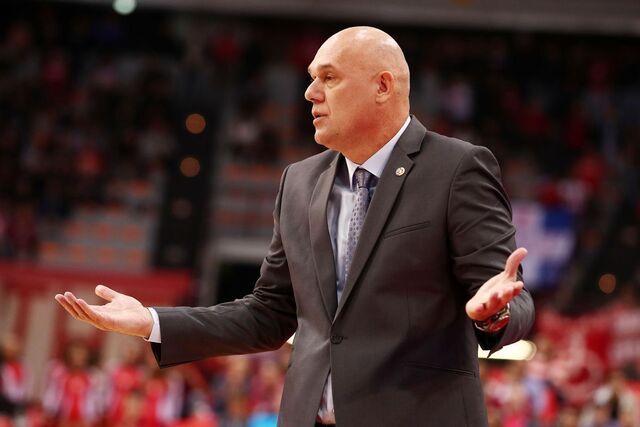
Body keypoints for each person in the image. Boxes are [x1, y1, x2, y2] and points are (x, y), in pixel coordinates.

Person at [56, 26, 535, 426]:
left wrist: (492, 315)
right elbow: (269, 313)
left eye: (329, 77)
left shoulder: (457, 168)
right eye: (311, 78)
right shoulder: (299, 182)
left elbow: (512, 299)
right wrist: (153, 321)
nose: (310, 92)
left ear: (383, 86)